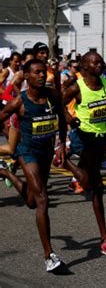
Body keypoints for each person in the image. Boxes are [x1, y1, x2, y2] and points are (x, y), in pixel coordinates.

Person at [0, 59, 67, 272]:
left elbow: (63, 120)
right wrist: (6, 133)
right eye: (37, 72)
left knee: (31, 202)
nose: (41, 75)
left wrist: (62, 147)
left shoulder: (53, 96)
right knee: (42, 199)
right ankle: (49, 256)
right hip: (26, 152)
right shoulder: (18, 102)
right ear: (27, 77)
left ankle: (6, 173)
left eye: (43, 72)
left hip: (46, 152)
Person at [63, 52, 106, 256]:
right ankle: (105, 238)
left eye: (101, 61)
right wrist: (70, 120)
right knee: (95, 185)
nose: (100, 64)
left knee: (92, 185)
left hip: (100, 138)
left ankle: (104, 238)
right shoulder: (76, 87)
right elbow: (59, 106)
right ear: (84, 66)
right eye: (95, 62)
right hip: (83, 138)